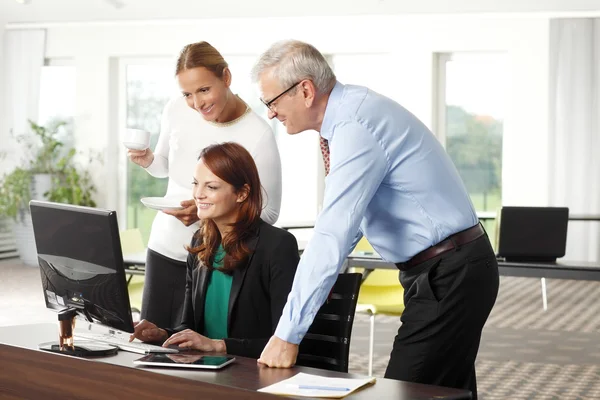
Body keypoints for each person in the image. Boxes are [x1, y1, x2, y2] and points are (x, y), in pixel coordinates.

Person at [251, 40, 499, 398]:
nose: (271, 113)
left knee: (403, 390)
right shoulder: (349, 116)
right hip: (447, 269)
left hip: (451, 274)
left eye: (272, 101)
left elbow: (332, 234)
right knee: (444, 392)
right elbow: (348, 224)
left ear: (304, 90)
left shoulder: (355, 126)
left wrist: (287, 335)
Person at [127, 41, 282, 330]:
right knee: (153, 347)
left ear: (226, 77)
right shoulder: (175, 109)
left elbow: (269, 213)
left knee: (197, 353)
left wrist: (204, 214)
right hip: (163, 247)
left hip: (212, 261)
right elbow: (165, 167)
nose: (197, 103)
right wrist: (148, 160)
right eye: (187, 94)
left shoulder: (257, 134)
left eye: (204, 90)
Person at [129, 142, 299, 358]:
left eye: (211, 187)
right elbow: (190, 329)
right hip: (205, 372)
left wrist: (219, 346)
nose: (198, 194)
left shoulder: (277, 246)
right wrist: (161, 334)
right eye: (196, 183)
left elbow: (286, 341)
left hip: (251, 375)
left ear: (242, 193)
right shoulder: (201, 242)